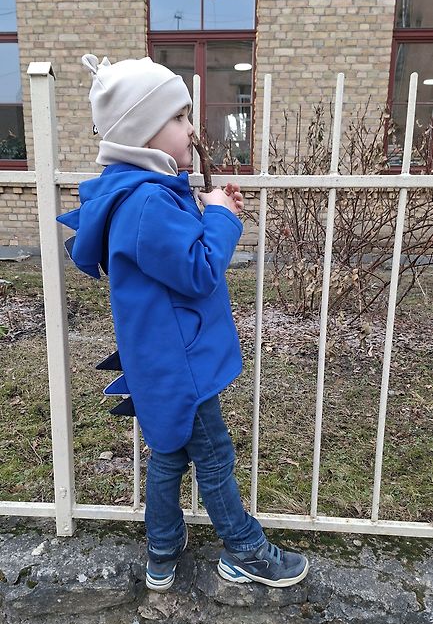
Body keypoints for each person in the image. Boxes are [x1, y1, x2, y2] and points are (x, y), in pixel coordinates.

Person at [58, 54, 309, 592]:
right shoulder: (147, 202)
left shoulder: (143, 193)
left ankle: (162, 554)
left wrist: (211, 207)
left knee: (169, 454)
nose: (191, 128)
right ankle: (245, 550)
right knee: (214, 456)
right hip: (181, 363)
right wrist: (220, 217)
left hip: (164, 357)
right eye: (179, 117)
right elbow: (198, 271)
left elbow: (173, 259)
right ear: (142, 132)